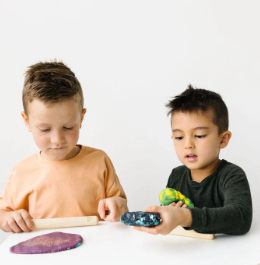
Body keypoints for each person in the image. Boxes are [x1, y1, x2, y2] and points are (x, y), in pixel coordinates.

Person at [0, 61, 128, 233]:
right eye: (45, 129)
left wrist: (118, 206)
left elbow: (121, 206)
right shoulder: (21, 171)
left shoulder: (99, 161)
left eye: (68, 128)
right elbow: (3, 212)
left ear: (81, 118)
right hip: (43, 257)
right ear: (27, 122)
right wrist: (7, 219)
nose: (57, 139)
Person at [134, 85, 252, 235]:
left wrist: (185, 217)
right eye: (179, 137)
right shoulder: (176, 176)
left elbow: (241, 218)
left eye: (200, 135)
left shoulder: (232, 175)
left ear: (223, 139)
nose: (188, 145)